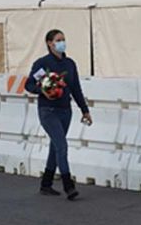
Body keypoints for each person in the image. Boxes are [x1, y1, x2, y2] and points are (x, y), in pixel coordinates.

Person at [25, 29, 93, 200]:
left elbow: (75, 88)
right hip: (48, 111)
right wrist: (43, 90)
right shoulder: (42, 63)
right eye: (58, 40)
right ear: (50, 43)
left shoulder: (70, 64)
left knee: (56, 146)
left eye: (63, 39)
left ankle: (46, 184)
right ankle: (68, 185)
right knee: (62, 145)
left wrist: (84, 110)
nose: (62, 42)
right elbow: (29, 84)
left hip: (65, 111)